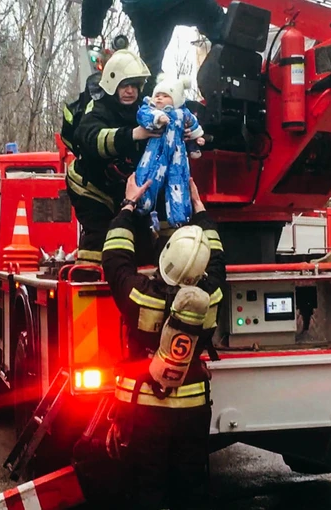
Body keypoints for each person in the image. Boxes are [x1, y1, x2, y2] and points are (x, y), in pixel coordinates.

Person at [101, 173, 225, 509]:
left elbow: (114, 258)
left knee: (145, 491)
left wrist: (128, 204)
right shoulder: (212, 295)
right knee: (192, 491)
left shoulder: (139, 296)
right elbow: (217, 259)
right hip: (194, 412)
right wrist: (199, 207)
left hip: (144, 411)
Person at [66, 49, 159, 266]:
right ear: (112, 85)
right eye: (124, 85)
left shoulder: (145, 110)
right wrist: (132, 135)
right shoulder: (98, 109)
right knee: (100, 237)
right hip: (90, 187)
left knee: (141, 243)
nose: (130, 91)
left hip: (123, 189)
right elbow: (91, 139)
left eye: (134, 85)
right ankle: (88, 276)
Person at [80, 0, 226, 95]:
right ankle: (226, 77)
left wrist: (91, 28)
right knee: (218, 22)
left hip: (141, 8)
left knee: (150, 66)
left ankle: (148, 107)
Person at [135, 74, 205, 230]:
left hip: (177, 155)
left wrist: (197, 136)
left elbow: (193, 124)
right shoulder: (151, 108)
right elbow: (143, 115)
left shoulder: (183, 113)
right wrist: (158, 118)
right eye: (157, 95)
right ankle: (142, 204)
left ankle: (179, 217)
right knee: (148, 176)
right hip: (156, 152)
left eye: (165, 96)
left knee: (178, 181)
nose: (160, 98)